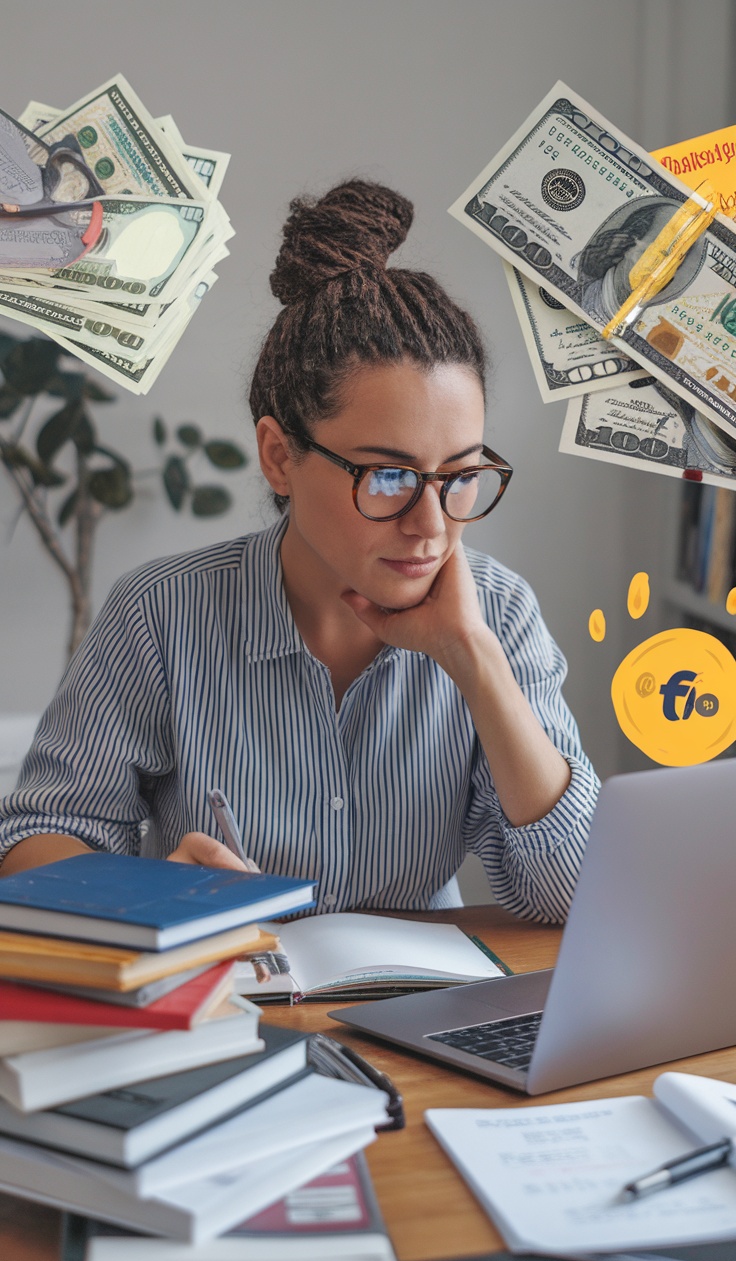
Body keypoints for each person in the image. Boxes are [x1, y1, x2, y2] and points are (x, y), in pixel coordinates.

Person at [0, 179, 600, 922]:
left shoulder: (500, 614)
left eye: (461, 476)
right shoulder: (159, 614)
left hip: (417, 1015)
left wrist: (475, 663)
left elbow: (576, 896)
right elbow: (33, 843)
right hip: (227, 1012)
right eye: (388, 476)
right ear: (280, 456)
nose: (431, 525)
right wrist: (153, 893)